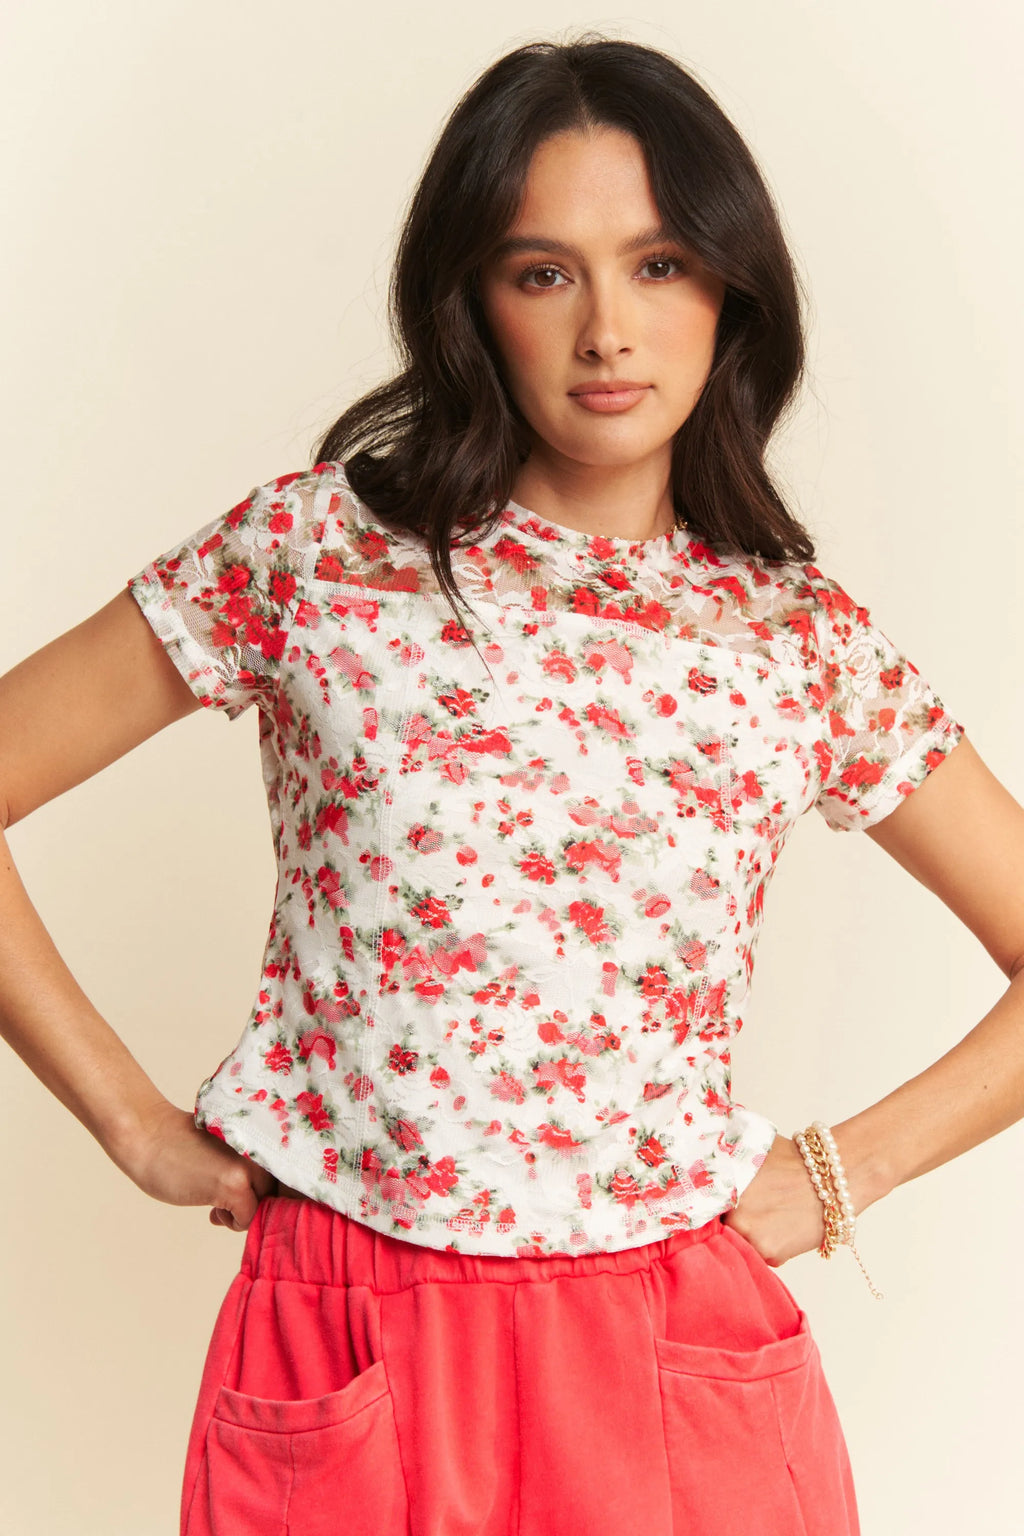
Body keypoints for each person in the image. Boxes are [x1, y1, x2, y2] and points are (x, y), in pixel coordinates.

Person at [2, 32, 1022, 1536]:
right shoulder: (314, 559)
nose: (609, 330)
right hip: (346, 1329)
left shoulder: (795, 641)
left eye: (661, 265)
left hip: (672, 1351)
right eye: (545, 272)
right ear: (470, 300)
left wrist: (838, 1173)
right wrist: (134, 1126)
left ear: (732, 291)